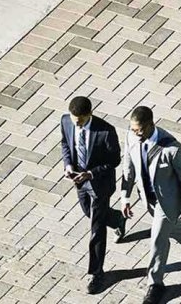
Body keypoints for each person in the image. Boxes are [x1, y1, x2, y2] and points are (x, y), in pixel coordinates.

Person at [121, 106, 181, 304]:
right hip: (148, 198)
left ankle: (155, 283)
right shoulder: (131, 137)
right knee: (168, 225)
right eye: (133, 130)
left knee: (158, 238)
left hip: (168, 201)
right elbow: (128, 167)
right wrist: (125, 198)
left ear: (151, 125)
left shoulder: (172, 148)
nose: (136, 134)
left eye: (140, 130)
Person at [60, 96, 125, 294]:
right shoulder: (65, 121)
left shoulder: (106, 131)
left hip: (99, 184)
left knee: (96, 229)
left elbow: (114, 160)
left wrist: (91, 173)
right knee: (89, 213)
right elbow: (65, 144)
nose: (76, 124)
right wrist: (68, 165)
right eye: (73, 119)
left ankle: (97, 273)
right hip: (79, 180)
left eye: (79, 121)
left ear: (89, 114)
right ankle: (117, 219)